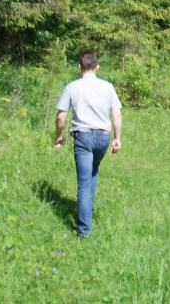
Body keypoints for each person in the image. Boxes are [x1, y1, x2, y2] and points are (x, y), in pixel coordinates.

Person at [54, 50, 122, 237]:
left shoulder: (72, 87)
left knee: (84, 182)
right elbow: (116, 114)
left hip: (83, 137)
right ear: (97, 67)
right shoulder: (108, 87)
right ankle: (87, 212)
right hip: (103, 137)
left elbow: (61, 116)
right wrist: (117, 139)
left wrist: (59, 136)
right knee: (93, 172)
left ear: (79, 67)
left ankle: (84, 230)